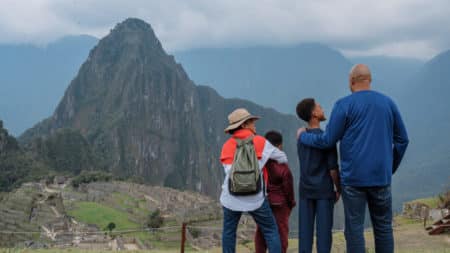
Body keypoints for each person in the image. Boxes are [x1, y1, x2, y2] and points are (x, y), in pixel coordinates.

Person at [297, 64, 409, 253]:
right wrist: (389, 168)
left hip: (353, 180)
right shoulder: (388, 103)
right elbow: (402, 140)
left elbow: (327, 140)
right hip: (381, 177)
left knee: (354, 230)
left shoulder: (344, 105)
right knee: (383, 228)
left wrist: (303, 136)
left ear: (351, 81)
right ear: (369, 80)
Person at [220, 108, 286, 253]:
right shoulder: (261, 142)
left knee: (229, 232)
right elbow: (282, 158)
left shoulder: (226, 146)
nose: (254, 124)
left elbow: (228, 170)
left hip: (231, 197)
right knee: (270, 230)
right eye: (251, 122)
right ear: (244, 125)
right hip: (256, 198)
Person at [295, 98, 341, 253]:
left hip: (305, 190)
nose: (323, 109)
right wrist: (338, 188)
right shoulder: (326, 138)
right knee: (324, 236)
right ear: (314, 114)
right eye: (320, 107)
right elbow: (333, 169)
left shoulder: (301, 138)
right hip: (324, 191)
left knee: (305, 235)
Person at [254, 130, 296, 253]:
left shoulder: (260, 162)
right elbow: (288, 188)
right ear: (279, 146)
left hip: (263, 201)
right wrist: (291, 203)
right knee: (281, 231)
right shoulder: (282, 165)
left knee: (261, 231)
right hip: (280, 204)